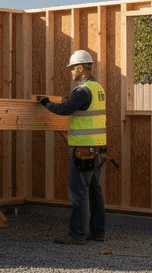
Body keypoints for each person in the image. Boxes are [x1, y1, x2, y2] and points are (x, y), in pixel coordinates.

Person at [38, 49, 107, 244]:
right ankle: (98, 233)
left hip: (83, 150)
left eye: (72, 68)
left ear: (80, 68)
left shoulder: (82, 91)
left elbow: (64, 109)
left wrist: (46, 103)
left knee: (78, 193)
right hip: (97, 149)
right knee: (94, 192)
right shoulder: (98, 89)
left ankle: (77, 235)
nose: (71, 72)